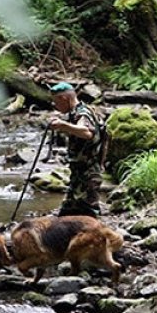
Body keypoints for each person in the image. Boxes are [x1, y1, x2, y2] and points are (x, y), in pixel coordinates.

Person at [47, 82, 104, 218]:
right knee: (68, 213)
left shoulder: (83, 113)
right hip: (80, 173)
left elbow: (86, 132)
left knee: (89, 212)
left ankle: (99, 237)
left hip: (88, 173)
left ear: (64, 99)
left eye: (56, 102)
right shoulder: (78, 112)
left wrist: (63, 125)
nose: (55, 106)